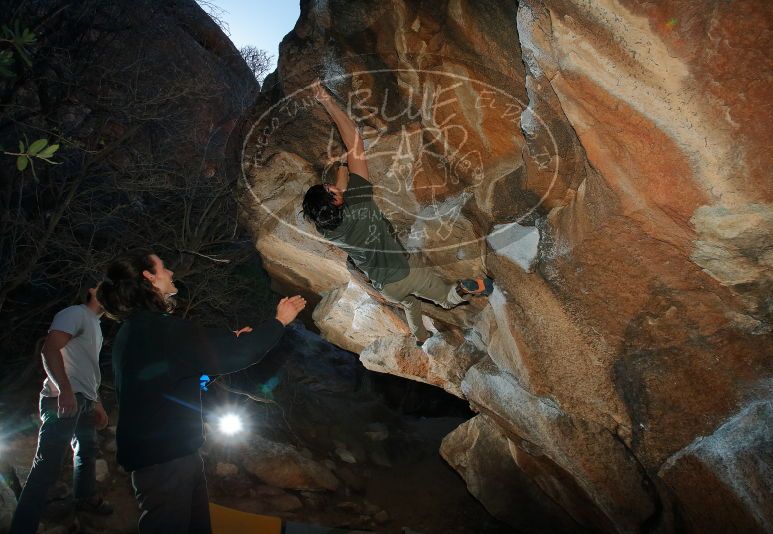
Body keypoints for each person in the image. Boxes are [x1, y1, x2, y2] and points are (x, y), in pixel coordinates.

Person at [96, 251, 305, 534]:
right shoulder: (161, 329)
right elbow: (242, 352)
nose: (170, 273)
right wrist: (279, 321)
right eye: (164, 267)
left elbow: (175, 372)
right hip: (165, 462)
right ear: (149, 277)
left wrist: (229, 343)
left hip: (169, 458)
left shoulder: (136, 330)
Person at [301, 79, 493, 345]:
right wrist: (326, 100)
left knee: (409, 304)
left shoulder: (328, 229)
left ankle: (420, 337)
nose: (333, 186)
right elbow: (354, 140)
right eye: (330, 188)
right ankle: (465, 288)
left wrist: (342, 172)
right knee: (446, 299)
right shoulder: (360, 201)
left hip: (387, 287)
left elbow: (340, 194)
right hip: (406, 270)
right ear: (334, 198)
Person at [10, 280, 113, 534]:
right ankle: (23, 527)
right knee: (46, 466)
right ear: (91, 290)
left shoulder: (97, 327)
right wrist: (65, 391)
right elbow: (49, 349)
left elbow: (86, 370)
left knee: (87, 450)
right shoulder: (75, 313)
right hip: (63, 401)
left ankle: (84, 497)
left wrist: (96, 403)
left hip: (84, 401)